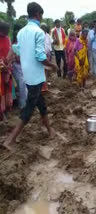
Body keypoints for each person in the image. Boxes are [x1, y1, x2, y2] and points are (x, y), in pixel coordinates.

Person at [4, 2, 58, 151]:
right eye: (41, 15)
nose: (41, 18)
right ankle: (10, 140)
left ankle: (50, 131)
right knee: (28, 110)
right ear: (37, 14)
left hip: (28, 75)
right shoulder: (39, 32)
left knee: (41, 104)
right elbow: (40, 56)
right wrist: (52, 65)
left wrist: (8, 60)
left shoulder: (21, 32)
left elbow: (16, 49)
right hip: (35, 76)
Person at [0, 21, 13, 121]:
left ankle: (8, 109)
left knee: (8, 88)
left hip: (8, 68)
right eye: (4, 31)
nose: (6, 33)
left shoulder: (8, 39)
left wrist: (8, 65)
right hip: (0, 70)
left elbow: (11, 51)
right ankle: (2, 112)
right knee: (1, 91)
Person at [40, 23, 52, 92]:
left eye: (44, 28)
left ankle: (46, 83)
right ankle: (43, 86)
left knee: (47, 70)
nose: (43, 29)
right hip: (42, 56)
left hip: (48, 54)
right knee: (42, 70)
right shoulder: (38, 35)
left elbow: (50, 45)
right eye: (42, 28)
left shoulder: (48, 36)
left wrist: (50, 53)